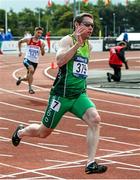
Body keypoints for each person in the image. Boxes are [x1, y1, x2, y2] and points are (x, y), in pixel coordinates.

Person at [12, 13, 107, 174]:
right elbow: (60, 61)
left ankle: (90, 163)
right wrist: (76, 44)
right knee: (43, 132)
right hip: (60, 96)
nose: (91, 27)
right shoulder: (67, 40)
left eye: (92, 25)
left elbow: (80, 70)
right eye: (87, 24)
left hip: (78, 95)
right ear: (77, 25)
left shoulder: (89, 46)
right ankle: (21, 132)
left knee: (95, 119)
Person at [16, 27, 45, 94]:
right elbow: (19, 42)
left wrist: (42, 48)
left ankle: (20, 79)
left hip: (35, 62)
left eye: (41, 33)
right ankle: (30, 89)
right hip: (27, 59)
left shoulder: (42, 42)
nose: (39, 34)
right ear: (35, 32)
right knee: (31, 70)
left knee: (28, 77)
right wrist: (20, 51)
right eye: (38, 32)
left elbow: (43, 54)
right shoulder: (29, 39)